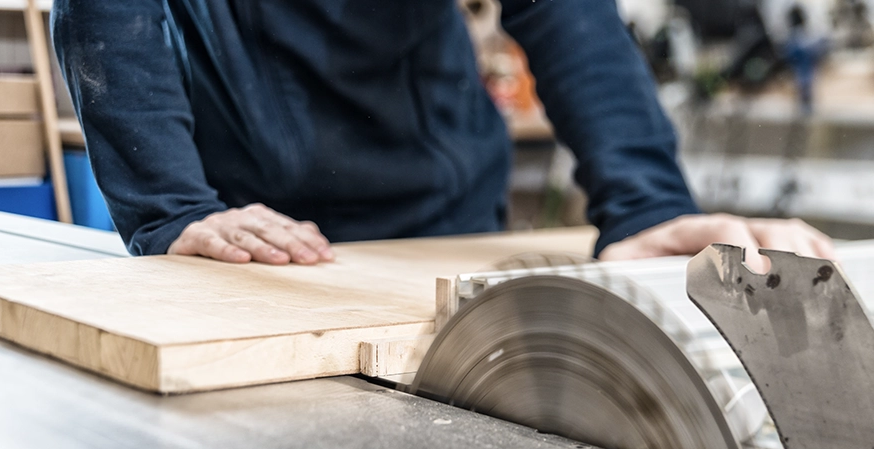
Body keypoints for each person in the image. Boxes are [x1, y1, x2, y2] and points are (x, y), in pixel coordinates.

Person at [52, 0, 833, 267]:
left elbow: (562, 10)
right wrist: (173, 209)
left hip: (439, 213)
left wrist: (646, 205)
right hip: (256, 238)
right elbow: (109, 15)